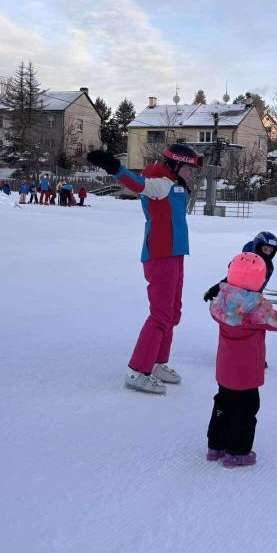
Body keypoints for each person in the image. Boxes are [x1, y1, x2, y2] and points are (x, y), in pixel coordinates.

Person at [86, 144, 203, 394]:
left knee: (172, 312)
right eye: (188, 168)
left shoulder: (175, 184)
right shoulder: (159, 183)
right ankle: (138, 370)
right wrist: (115, 167)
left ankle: (158, 363)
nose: (192, 173)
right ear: (175, 165)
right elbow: (139, 184)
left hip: (176, 254)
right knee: (161, 314)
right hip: (160, 256)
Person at [206, 253, 277, 468]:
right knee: (245, 410)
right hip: (247, 373)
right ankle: (237, 452)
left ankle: (216, 445)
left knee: (222, 403)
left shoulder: (220, 301)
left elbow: (213, 310)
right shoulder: (257, 309)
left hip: (225, 369)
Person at [204, 231, 277, 302]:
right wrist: (214, 291)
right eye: (265, 249)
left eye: (270, 251)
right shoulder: (246, 260)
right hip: (235, 299)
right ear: (257, 247)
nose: (268, 253)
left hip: (251, 301)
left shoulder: (268, 265)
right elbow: (231, 280)